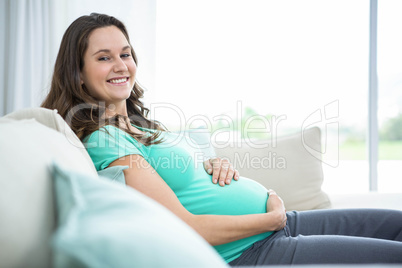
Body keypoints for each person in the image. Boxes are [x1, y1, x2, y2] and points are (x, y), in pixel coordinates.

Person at [42, 13, 402, 265]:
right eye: (104, 58)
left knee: (395, 224)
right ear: (78, 72)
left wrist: (214, 164)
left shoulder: (141, 125)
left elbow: (185, 180)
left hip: (279, 225)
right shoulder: (104, 139)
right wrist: (269, 220)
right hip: (253, 251)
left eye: (125, 54)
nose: (121, 65)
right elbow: (183, 224)